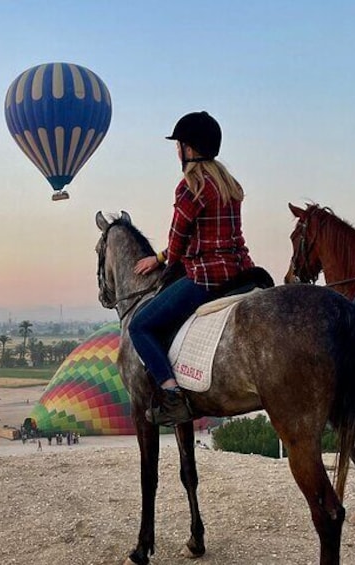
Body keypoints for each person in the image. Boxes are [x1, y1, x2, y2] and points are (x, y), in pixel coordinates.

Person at [129, 111, 254, 426]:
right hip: (240, 270)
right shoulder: (229, 184)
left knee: (140, 327)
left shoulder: (190, 186)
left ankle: (172, 395)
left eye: (179, 145)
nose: (177, 151)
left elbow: (177, 243)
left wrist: (161, 260)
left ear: (189, 148)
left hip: (207, 277)